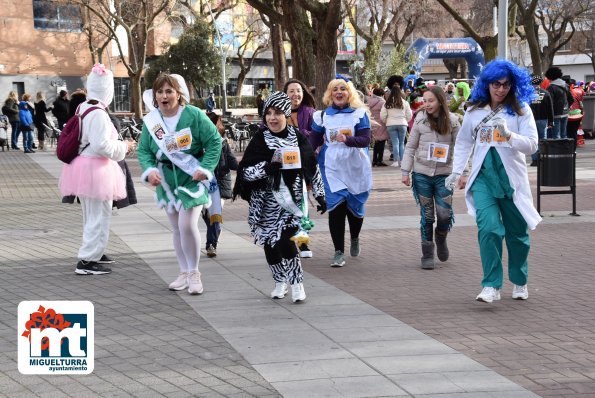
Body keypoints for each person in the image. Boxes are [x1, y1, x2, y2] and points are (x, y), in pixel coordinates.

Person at [447, 59, 541, 303]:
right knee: (488, 229)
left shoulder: (521, 109)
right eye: (496, 84)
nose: (501, 89)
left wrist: (510, 136)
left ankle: (520, 280)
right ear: (486, 84)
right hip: (483, 179)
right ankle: (491, 285)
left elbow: (532, 145)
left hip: (511, 180)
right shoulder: (474, 110)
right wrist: (457, 171)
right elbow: (464, 142)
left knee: (517, 235)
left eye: (506, 85)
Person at [232, 91, 326, 302]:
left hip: (291, 202)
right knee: (270, 245)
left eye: (278, 113)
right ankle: (280, 281)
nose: (272, 118)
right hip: (264, 204)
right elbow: (245, 172)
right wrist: (267, 167)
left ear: (286, 114)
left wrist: (320, 195)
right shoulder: (259, 139)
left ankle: (297, 284)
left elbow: (313, 167)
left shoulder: (298, 137)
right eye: (269, 113)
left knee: (285, 241)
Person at [137, 73, 221, 295]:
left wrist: (205, 168)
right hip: (167, 179)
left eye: (169, 91)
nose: (164, 96)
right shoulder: (153, 120)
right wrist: (151, 170)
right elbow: (144, 149)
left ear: (178, 93)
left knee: (187, 225)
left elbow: (214, 142)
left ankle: (194, 272)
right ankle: (183, 272)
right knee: (176, 228)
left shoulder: (193, 115)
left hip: (191, 177)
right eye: (160, 91)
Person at [59, 64, 135, 275]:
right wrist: (125, 147)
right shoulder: (99, 113)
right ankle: (87, 260)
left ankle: (95, 252)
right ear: (108, 91)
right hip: (97, 169)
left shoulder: (83, 107)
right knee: (98, 215)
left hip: (84, 167)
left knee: (92, 214)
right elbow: (102, 145)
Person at [311, 78, 373, 268]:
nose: (339, 92)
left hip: (356, 166)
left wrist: (347, 139)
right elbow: (313, 142)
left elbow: (365, 140)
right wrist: (306, 161)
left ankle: (354, 237)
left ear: (349, 93)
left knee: (356, 209)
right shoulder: (321, 116)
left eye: (343, 89)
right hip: (331, 168)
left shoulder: (360, 114)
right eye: (335, 89)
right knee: (336, 208)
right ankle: (338, 251)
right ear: (330, 94)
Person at [401, 86, 461, 269]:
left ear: (440, 101)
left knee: (444, 214)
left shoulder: (453, 121)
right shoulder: (420, 120)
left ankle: (441, 236)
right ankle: (427, 253)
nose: (426, 104)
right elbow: (410, 147)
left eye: (431, 100)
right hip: (422, 174)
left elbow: (461, 149)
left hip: (445, 175)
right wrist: (405, 171)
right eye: (424, 101)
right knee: (427, 215)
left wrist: (463, 173)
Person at [283, 78, 320, 259]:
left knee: (302, 205)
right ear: (285, 94)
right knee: (285, 204)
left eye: (298, 90)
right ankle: (285, 241)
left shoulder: (311, 113)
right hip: (282, 168)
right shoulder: (277, 112)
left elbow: (317, 135)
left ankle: (303, 243)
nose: (295, 94)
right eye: (291, 91)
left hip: (303, 166)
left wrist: (299, 133)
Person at [202, 111, 238, 258]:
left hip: (219, 184)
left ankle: (211, 244)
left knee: (214, 214)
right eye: (218, 123)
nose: (220, 126)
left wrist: (243, 165)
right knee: (206, 215)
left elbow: (231, 162)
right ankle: (215, 231)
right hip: (202, 184)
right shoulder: (198, 143)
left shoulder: (223, 143)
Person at [381, 84, 412, 168]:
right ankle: (402, 161)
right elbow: (409, 114)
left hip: (391, 124)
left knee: (395, 143)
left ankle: (395, 161)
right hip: (402, 123)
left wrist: (386, 121)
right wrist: (406, 121)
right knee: (402, 143)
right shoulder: (405, 102)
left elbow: (382, 115)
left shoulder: (387, 103)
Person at [529, 75, 554, 167]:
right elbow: (550, 108)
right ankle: (543, 157)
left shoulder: (527, 94)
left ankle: (535, 159)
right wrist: (551, 121)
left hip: (530, 120)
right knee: (543, 139)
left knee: (533, 139)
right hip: (543, 119)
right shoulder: (546, 93)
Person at [544, 66, 573, 139]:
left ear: (550, 76)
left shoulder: (551, 87)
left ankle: (557, 150)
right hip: (565, 113)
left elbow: (549, 102)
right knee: (564, 134)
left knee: (556, 135)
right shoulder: (565, 85)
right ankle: (565, 150)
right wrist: (567, 107)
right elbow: (571, 99)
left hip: (556, 114)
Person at [368, 88, 389, 167]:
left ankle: (374, 160)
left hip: (373, 123)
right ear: (381, 94)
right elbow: (385, 113)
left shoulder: (370, 101)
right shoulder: (382, 102)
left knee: (376, 142)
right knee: (382, 142)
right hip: (381, 123)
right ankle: (380, 160)